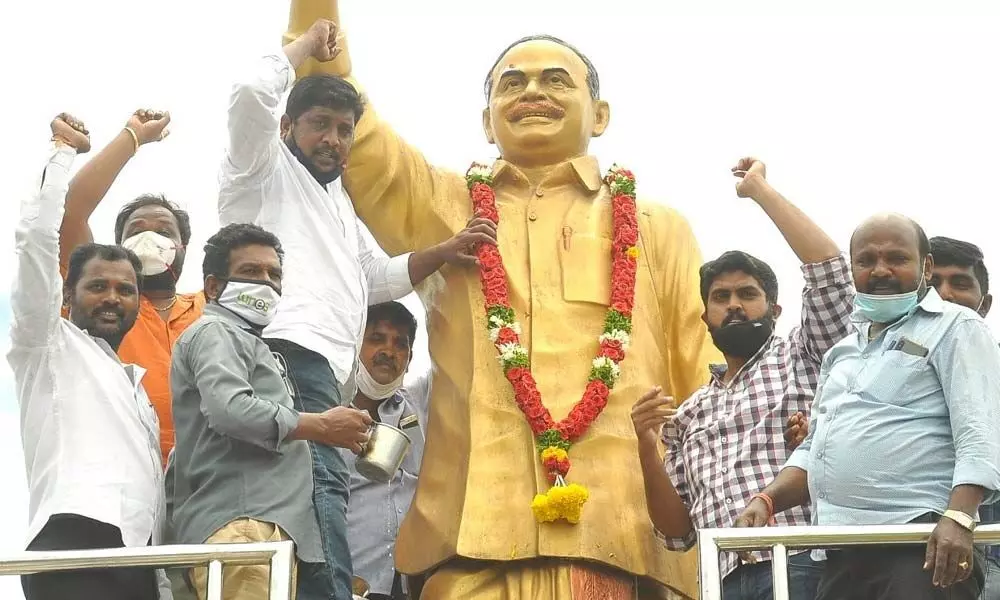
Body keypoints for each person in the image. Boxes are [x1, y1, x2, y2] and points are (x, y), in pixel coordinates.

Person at [283, 4, 721, 598]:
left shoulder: (656, 227)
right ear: (487, 122)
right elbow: (348, 125)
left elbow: (702, 382)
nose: (531, 92)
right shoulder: (446, 206)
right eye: (511, 84)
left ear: (602, 114)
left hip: (623, 538)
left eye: (556, 80)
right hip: (468, 543)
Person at [218, 21, 497, 600]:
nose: (334, 140)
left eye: (344, 130)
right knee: (321, 483)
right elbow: (249, 91)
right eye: (319, 125)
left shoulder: (338, 198)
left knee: (319, 483)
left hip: (326, 366)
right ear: (287, 126)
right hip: (285, 349)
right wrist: (302, 51)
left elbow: (375, 277)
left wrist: (445, 251)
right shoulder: (262, 168)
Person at [735, 214, 1000, 599]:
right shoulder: (842, 352)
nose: (880, 270)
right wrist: (767, 498)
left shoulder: (957, 326)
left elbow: (980, 426)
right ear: (853, 267)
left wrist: (959, 516)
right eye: (866, 260)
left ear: (925, 265)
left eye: (896, 258)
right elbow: (814, 449)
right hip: (842, 552)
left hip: (921, 544)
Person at [631, 157, 852, 599]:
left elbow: (829, 272)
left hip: (804, 562)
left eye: (748, 294)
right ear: (705, 317)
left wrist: (761, 193)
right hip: (722, 579)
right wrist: (645, 444)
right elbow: (676, 533)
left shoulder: (806, 355)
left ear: (775, 310)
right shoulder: (688, 412)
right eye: (721, 297)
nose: (734, 304)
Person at [11, 114, 171, 600]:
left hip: (140, 558)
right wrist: (62, 152)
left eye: (125, 290)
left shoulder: (133, 384)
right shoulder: (47, 343)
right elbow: (38, 240)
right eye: (97, 286)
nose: (111, 297)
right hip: (74, 545)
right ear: (68, 294)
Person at [168, 223, 374, 600]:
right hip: (244, 531)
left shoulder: (249, 344)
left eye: (273, 274)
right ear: (214, 287)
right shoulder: (217, 332)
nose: (265, 282)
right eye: (250, 272)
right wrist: (320, 426)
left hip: (260, 536)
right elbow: (229, 410)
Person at [57, 107, 203, 465]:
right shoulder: (102, 308)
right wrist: (133, 136)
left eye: (164, 231)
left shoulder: (211, 307)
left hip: (208, 486)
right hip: (123, 476)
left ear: (183, 246)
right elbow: (71, 211)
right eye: (136, 231)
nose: (150, 237)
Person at [340, 302, 428, 600]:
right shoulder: (327, 412)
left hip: (411, 583)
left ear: (409, 357)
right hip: (347, 579)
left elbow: (459, 351)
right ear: (355, 343)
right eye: (376, 339)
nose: (389, 351)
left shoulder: (417, 403)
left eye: (399, 344)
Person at [927, 236, 998, 600]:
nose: (946, 294)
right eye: (934, 283)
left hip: (976, 531)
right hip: (931, 542)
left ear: (984, 304)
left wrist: (960, 516)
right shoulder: (891, 367)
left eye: (960, 283)